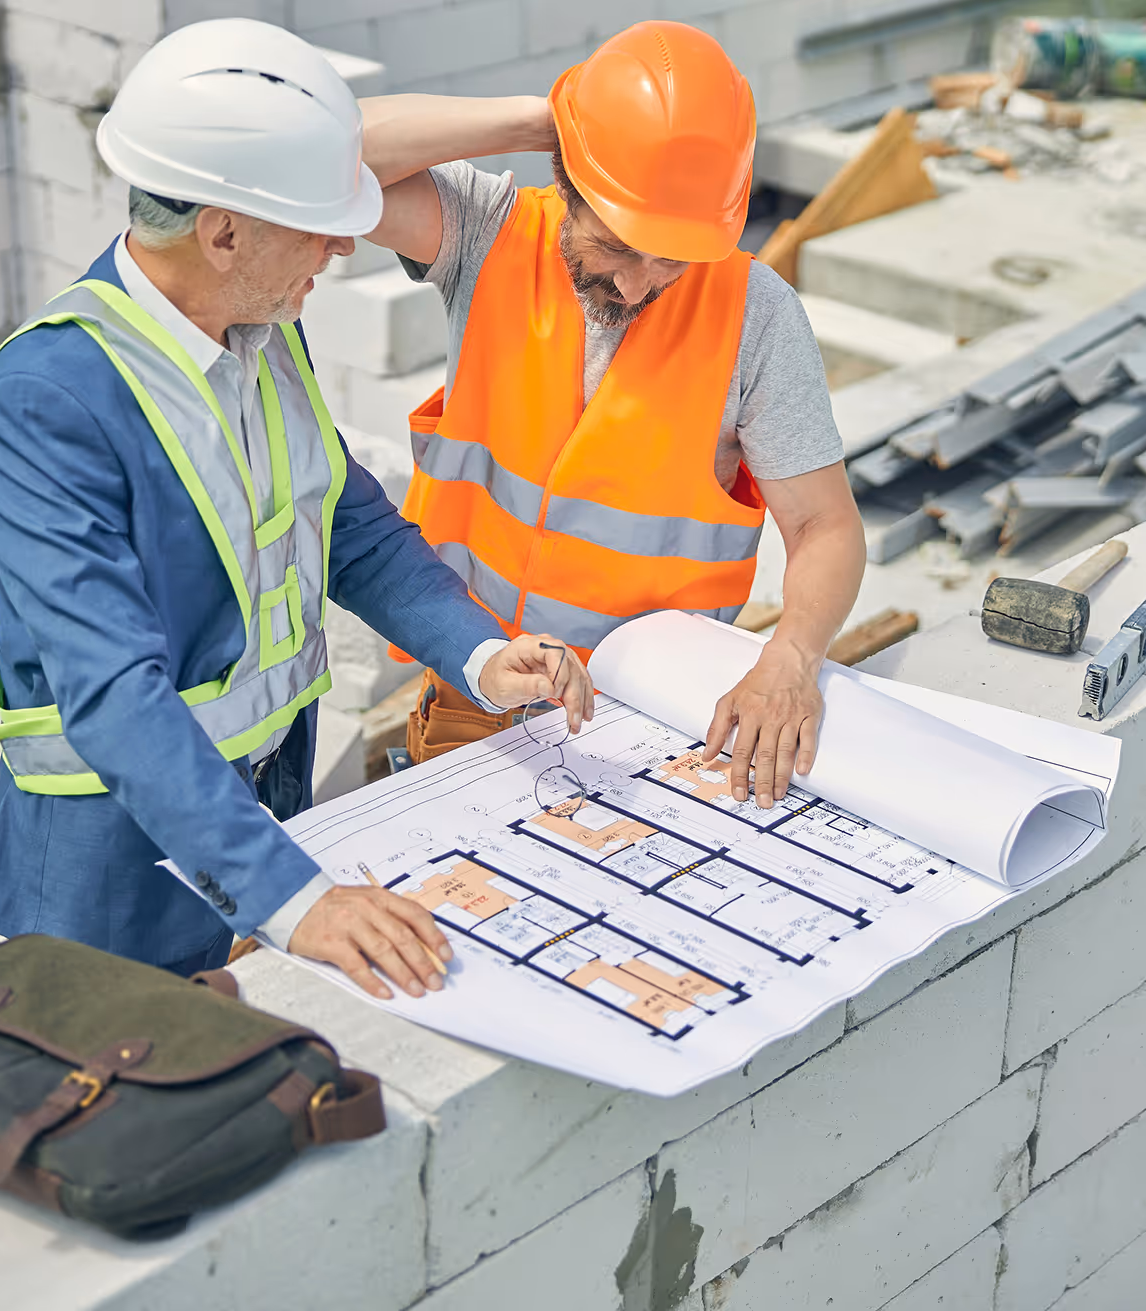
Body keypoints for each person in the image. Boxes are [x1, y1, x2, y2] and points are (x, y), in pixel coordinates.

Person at [0, 20, 593, 996]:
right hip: (115, 874)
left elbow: (346, 523)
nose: (342, 245)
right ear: (223, 231)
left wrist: (477, 655)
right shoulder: (47, 402)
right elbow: (112, 692)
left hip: (270, 808)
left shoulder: (257, 326)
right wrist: (296, 898)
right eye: (318, 223)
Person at [360, 21, 866, 809]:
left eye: (670, 259)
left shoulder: (757, 317)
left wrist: (790, 660)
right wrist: (548, 121)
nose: (637, 285)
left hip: (654, 731)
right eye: (617, 246)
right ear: (567, 180)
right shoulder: (485, 234)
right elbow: (321, 158)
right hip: (478, 697)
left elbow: (825, 528)